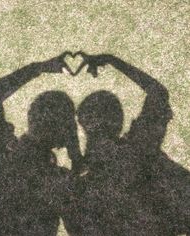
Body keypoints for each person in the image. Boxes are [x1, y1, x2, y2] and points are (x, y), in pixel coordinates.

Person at [63, 52, 190, 235]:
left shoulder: (80, 184)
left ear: (83, 125)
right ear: (118, 122)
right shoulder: (139, 146)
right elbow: (158, 93)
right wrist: (112, 60)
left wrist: (74, 154)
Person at [0, 52, 82, 236]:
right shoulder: (59, 181)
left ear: (32, 116)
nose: (11, 125)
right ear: (65, 134)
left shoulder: (1, 155)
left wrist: (40, 67)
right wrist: (76, 155)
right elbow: (81, 227)